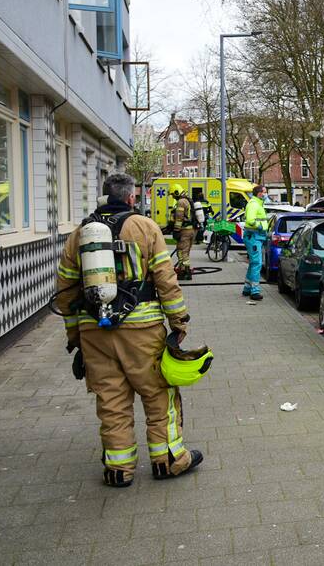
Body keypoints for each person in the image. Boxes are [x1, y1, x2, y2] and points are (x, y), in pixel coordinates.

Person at [54, 173, 202, 488]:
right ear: (131, 197)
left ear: (105, 196)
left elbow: (65, 291)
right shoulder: (145, 227)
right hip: (143, 329)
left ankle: (119, 470)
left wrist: (75, 339)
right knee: (158, 393)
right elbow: (166, 279)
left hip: (94, 332)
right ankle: (169, 461)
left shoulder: (80, 233)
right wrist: (179, 324)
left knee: (111, 400)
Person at [243, 185, 269, 300]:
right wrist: (260, 227)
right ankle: (255, 291)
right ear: (259, 193)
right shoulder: (254, 204)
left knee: (253, 263)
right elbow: (250, 220)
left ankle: (247, 288)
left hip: (254, 237)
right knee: (257, 263)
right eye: (265, 192)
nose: (266, 194)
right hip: (254, 236)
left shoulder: (256, 203)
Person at [170, 184, 195, 281]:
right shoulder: (187, 200)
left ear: (177, 192)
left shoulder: (181, 202)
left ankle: (185, 273)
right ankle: (184, 270)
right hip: (191, 230)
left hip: (184, 231)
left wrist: (176, 230)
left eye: (173, 194)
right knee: (186, 252)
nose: (173, 197)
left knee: (181, 252)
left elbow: (179, 218)